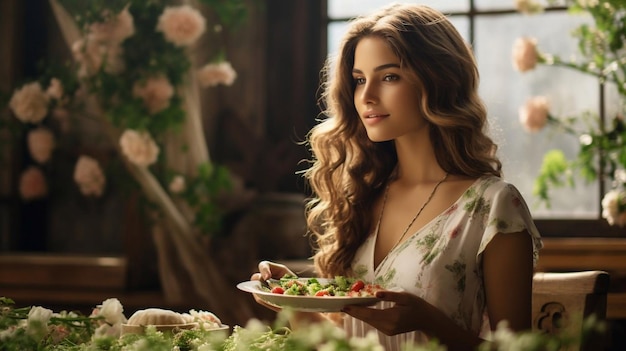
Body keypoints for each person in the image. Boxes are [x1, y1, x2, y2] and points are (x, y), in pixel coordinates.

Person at [250, 3, 542, 350]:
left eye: (389, 76)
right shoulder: (364, 194)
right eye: (359, 80)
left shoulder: (493, 206)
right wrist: (294, 301)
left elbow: (522, 349)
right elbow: (345, 340)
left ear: (438, 80)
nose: (367, 96)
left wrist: (430, 323)